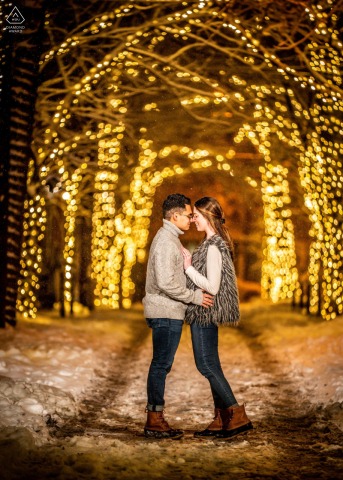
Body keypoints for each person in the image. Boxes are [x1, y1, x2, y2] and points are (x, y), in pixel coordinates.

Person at [143, 193, 213, 439]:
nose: (191, 218)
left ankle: (156, 416)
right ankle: (154, 418)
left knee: (162, 364)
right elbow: (165, 282)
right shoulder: (165, 241)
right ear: (174, 216)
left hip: (169, 311)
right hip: (165, 311)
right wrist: (194, 297)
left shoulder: (171, 240)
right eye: (188, 214)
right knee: (161, 364)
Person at [181, 196, 253, 439]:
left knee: (206, 365)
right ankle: (222, 419)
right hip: (204, 312)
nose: (193, 220)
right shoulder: (211, 242)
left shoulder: (213, 246)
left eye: (196, 216)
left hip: (205, 312)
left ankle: (236, 414)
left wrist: (188, 267)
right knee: (212, 364)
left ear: (208, 217)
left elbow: (212, 286)